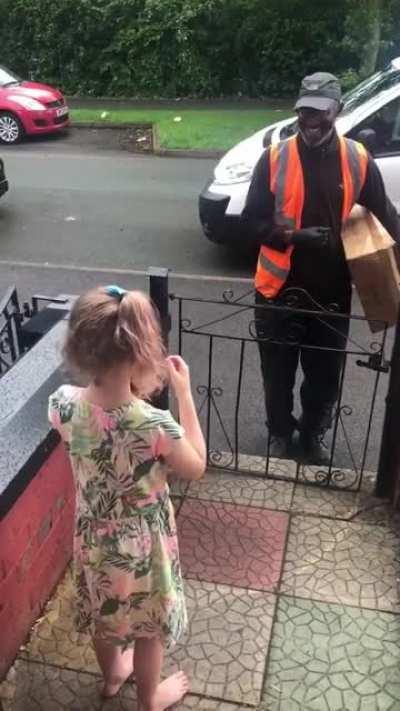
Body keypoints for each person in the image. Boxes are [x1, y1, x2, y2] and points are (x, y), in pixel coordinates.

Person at [48, 285, 206, 711]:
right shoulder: (154, 424)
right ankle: (149, 699)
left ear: (80, 348)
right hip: (143, 549)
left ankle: (113, 674)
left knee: (105, 613)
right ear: (141, 351)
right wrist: (185, 394)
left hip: (94, 541)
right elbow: (195, 467)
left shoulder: (62, 406)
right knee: (148, 627)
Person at [242, 72, 400, 464]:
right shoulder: (275, 158)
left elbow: (385, 216)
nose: (310, 122)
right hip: (278, 290)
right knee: (277, 373)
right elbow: (249, 222)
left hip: (332, 294)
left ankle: (312, 435)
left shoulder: (358, 158)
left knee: (325, 374)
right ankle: (280, 433)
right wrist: (294, 237)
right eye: (304, 113)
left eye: (320, 114)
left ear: (338, 111)